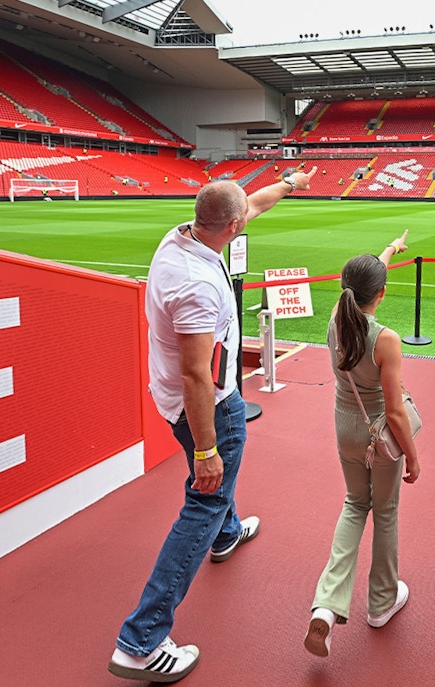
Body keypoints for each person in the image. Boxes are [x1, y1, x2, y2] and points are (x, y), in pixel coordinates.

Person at [109, 169, 317, 683]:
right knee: (204, 494)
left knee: (215, 498)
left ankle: (224, 533)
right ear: (231, 227)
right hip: (208, 405)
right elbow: (196, 376)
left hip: (186, 398)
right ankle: (141, 639)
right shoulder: (197, 285)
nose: (250, 217)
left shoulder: (183, 236)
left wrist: (291, 181)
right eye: (243, 217)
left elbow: (255, 205)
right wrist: (206, 450)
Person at [305, 230, 419, 659]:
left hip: (344, 425)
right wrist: (413, 455)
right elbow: (394, 413)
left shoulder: (338, 316)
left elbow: (361, 283)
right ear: (382, 293)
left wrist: (389, 249)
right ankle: (381, 602)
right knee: (385, 512)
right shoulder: (385, 338)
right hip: (378, 434)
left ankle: (327, 605)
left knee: (355, 504)